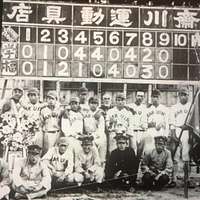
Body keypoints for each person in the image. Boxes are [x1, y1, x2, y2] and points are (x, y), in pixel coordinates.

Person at [169, 86, 191, 186]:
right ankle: (173, 179)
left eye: (185, 94)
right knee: (175, 157)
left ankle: (187, 179)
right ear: (178, 95)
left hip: (187, 132)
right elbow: (171, 124)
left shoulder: (192, 107)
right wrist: (174, 136)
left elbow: (195, 123)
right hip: (178, 131)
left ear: (188, 95)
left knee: (186, 157)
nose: (183, 97)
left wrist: (189, 129)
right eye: (181, 94)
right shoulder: (174, 108)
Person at [83, 96, 107, 167]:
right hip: (89, 136)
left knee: (102, 158)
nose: (93, 105)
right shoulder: (85, 113)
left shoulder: (100, 115)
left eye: (95, 103)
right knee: (92, 158)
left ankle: (101, 174)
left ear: (97, 104)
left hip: (99, 137)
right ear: (89, 104)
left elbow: (101, 129)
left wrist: (94, 136)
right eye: (92, 103)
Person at [146, 89, 169, 154]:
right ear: (151, 98)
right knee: (150, 151)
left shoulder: (165, 109)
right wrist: (152, 125)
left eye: (157, 97)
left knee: (161, 152)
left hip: (161, 133)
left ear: (160, 98)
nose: (155, 99)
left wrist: (166, 135)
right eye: (153, 97)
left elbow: (167, 124)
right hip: (150, 133)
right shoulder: (147, 109)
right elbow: (144, 123)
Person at [127, 91, 148, 159]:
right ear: (135, 96)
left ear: (143, 98)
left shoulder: (145, 107)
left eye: (142, 96)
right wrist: (130, 109)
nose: (140, 98)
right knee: (133, 150)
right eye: (138, 96)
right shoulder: (130, 106)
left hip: (142, 131)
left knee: (141, 152)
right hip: (133, 131)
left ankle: (138, 167)